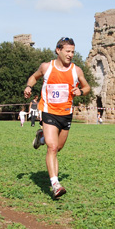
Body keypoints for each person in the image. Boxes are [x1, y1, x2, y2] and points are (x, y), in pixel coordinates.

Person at [24, 37, 90, 199]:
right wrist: (28, 86)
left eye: (73, 52)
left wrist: (80, 92)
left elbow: (87, 87)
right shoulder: (47, 67)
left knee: (58, 147)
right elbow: (34, 77)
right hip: (49, 111)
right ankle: (55, 184)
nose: (70, 55)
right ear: (58, 50)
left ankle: (41, 136)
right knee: (52, 148)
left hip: (66, 114)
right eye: (67, 51)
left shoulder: (76, 70)